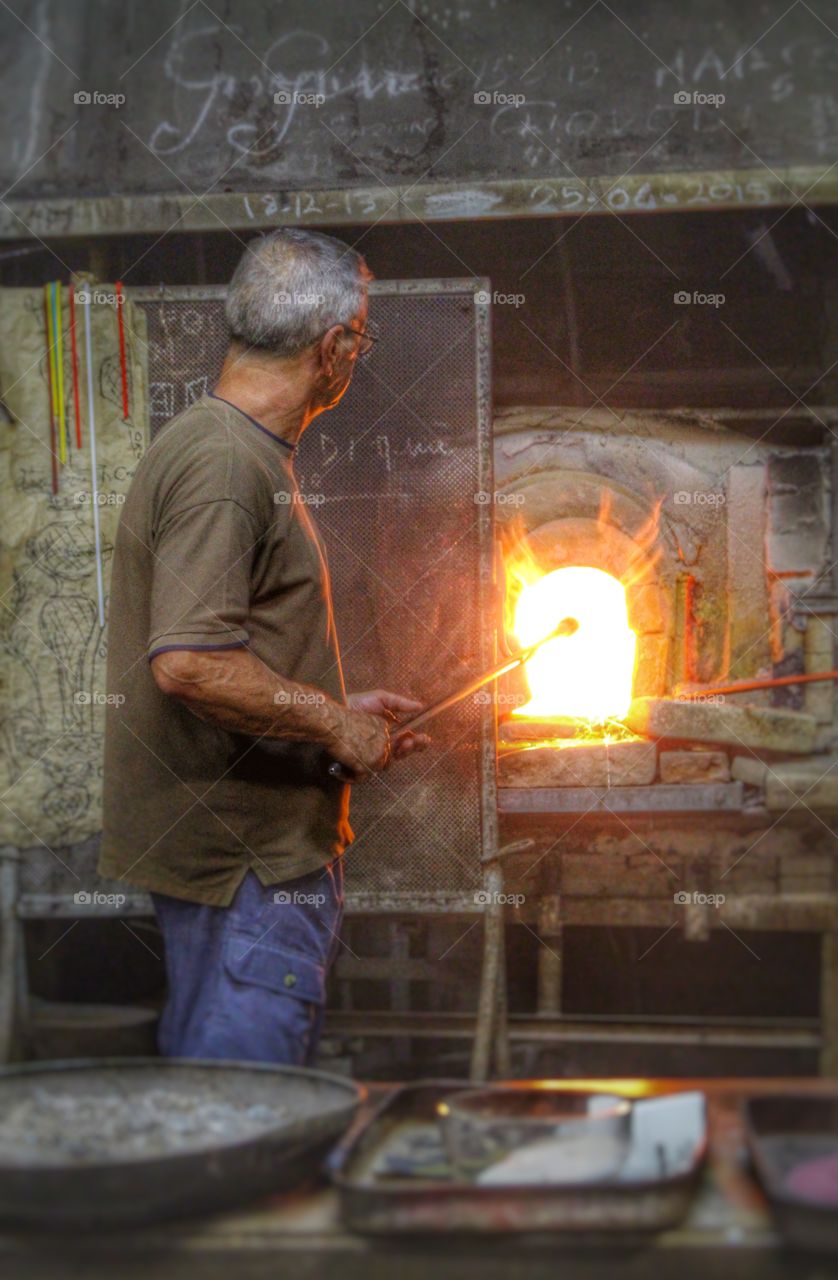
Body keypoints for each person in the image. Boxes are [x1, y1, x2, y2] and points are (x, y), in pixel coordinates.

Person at [99, 229, 429, 1065]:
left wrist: (333, 709)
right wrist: (327, 722)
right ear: (336, 348)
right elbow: (191, 663)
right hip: (250, 868)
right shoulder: (224, 466)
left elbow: (225, 644)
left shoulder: (224, 445)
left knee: (214, 1105)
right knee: (241, 1117)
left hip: (236, 861)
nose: (359, 350)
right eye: (363, 334)